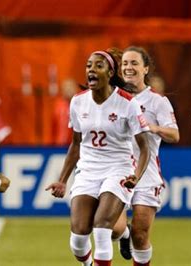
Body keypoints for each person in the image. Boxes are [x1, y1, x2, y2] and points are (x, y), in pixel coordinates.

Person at [46, 50, 150, 266]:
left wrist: (136, 176)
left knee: (102, 229)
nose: (91, 70)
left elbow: (144, 147)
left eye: (98, 66)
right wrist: (62, 180)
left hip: (118, 169)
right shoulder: (77, 102)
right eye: (88, 65)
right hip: (88, 170)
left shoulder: (127, 103)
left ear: (111, 72)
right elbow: (76, 144)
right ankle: (113, 243)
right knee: (78, 239)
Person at [112, 46, 179, 265]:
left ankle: (133, 238)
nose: (128, 68)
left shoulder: (157, 101)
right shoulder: (113, 98)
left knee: (141, 235)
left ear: (145, 68)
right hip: (117, 170)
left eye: (134, 63)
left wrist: (153, 127)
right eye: (125, 64)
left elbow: (175, 135)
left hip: (146, 174)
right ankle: (124, 235)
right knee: (113, 229)